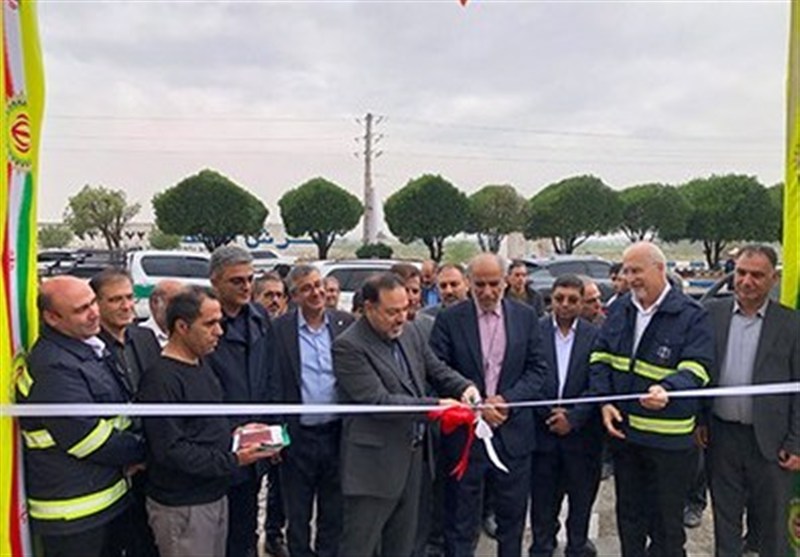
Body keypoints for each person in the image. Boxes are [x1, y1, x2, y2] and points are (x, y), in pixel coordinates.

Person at [334, 272, 479, 557]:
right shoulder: (348, 346)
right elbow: (379, 401)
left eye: (405, 309)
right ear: (368, 308)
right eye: (392, 312)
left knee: (404, 545)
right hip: (373, 466)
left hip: (414, 460)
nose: (401, 318)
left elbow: (436, 370)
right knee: (360, 546)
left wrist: (465, 387)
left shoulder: (410, 332)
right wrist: (437, 407)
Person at [589, 241, 713, 557]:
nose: (630, 278)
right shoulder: (619, 309)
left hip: (669, 444)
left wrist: (669, 389)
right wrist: (605, 401)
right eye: (626, 271)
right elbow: (600, 357)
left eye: (636, 270)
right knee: (629, 520)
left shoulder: (692, 315)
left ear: (660, 269)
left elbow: (698, 368)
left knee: (667, 528)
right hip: (626, 439)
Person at [138, 286, 279, 557]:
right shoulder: (161, 379)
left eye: (220, 322)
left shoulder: (202, 365)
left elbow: (204, 426)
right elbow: (170, 450)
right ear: (182, 327)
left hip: (214, 494)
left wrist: (238, 434)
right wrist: (233, 460)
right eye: (210, 324)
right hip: (183, 505)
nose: (220, 332)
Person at [430, 253, 549, 557]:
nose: (487, 292)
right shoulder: (450, 319)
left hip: (513, 436)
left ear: (506, 281)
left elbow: (538, 370)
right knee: (460, 520)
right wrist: (473, 402)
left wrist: (508, 401)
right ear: (469, 283)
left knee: (512, 521)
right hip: (466, 438)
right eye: (479, 284)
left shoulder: (525, 317)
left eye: (494, 284)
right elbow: (437, 369)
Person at [18, 276, 145, 557]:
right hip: (74, 513)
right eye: (81, 309)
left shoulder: (82, 347)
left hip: (100, 498)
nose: (94, 313)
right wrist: (145, 450)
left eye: (92, 303)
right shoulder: (54, 366)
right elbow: (87, 439)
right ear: (52, 318)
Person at [697, 244, 799, 557]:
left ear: (773, 279)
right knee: (725, 518)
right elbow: (700, 371)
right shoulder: (710, 314)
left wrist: (796, 442)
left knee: (772, 524)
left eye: (756, 275)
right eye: (741, 273)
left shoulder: (791, 324)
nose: (746, 281)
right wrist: (700, 420)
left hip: (772, 442)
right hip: (721, 436)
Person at [271, 265, 354, 557]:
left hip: (336, 434)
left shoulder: (345, 324)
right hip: (298, 437)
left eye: (319, 285)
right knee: (298, 513)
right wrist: (276, 433)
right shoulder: (279, 330)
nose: (317, 292)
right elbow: (272, 382)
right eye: (307, 288)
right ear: (294, 296)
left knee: (333, 511)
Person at [206, 245, 274, 557]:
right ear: (215, 281)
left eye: (250, 279)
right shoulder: (203, 321)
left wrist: (270, 430)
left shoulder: (259, 317)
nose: (246, 286)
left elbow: (269, 374)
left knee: (246, 529)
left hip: (254, 443)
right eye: (237, 281)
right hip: (216, 446)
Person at [90, 269, 161, 557]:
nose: (126, 305)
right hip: (114, 465)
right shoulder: (89, 346)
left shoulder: (145, 337)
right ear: (96, 304)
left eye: (130, 297)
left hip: (151, 459)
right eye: (115, 299)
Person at [529, 274, 601, 557]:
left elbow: (599, 383)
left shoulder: (596, 335)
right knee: (543, 501)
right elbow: (527, 376)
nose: (565, 304)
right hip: (543, 432)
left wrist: (573, 417)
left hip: (582, 435)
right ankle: (542, 546)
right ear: (551, 300)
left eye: (573, 299)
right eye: (559, 298)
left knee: (581, 500)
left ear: (582, 302)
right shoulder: (535, 331)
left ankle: (577, 545)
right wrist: (548, 412)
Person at [391, 262, 435, 338]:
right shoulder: (383, 327)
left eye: (415, 291)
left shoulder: (429, 326)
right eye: (406, 291)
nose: (411, 297)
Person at [140, 279, 184, 347]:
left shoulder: (187, 335)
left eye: (183, 303)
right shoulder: (138, 336)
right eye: (175, 302)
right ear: (155, 303)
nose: (181, 308)